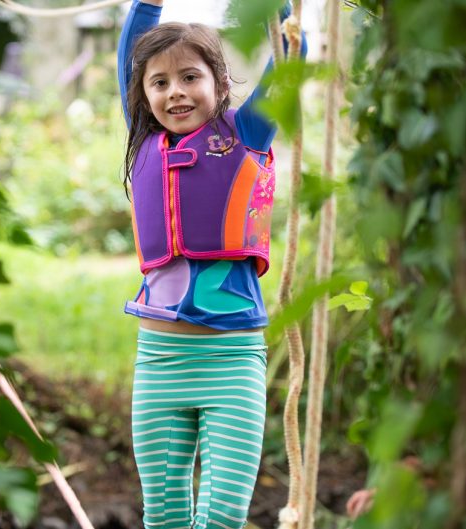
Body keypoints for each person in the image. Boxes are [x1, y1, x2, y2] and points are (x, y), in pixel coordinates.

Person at [117, 2, 305, 528]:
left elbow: (292, 55)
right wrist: (146, 5)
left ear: (219, 83)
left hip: (231, 364)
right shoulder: (144, 139)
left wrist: (287, 9)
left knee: (220, 518)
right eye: (159, 82)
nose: (174, 91)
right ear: (143, 93)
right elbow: (128, 45)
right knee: (165, 518)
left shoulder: (247, 134)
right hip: (158, 365)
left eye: (190, 76)